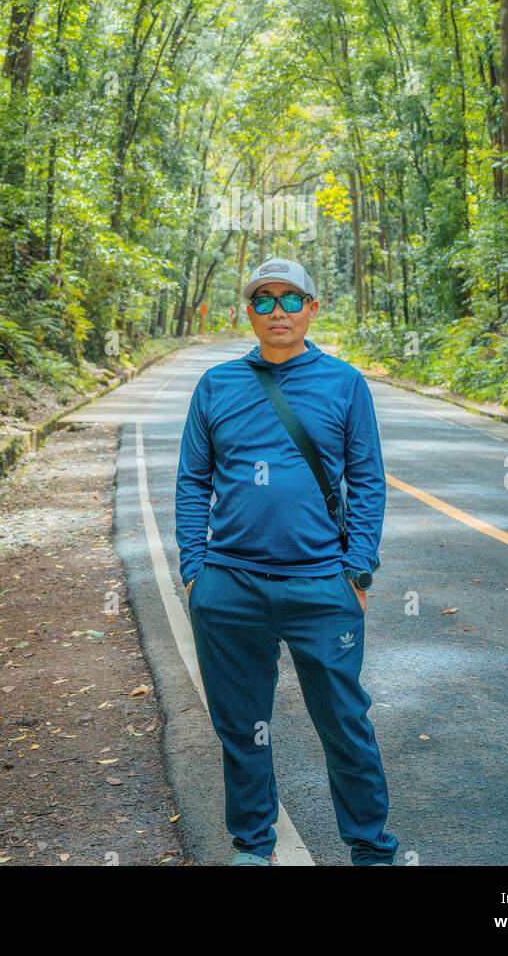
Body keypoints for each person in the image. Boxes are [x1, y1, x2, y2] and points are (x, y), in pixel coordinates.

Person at [174, 255, 399, 866]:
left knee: (346, 725)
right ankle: (253, 846)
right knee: (243, 730)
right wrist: (194, 572)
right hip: (229, 588)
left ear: (312, 309)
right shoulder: (216, 385)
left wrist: (358, 569)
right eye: (264, 300)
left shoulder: (344, 383)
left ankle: (372, 849)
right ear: (247, 312)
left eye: (290, 298)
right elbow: (193, 481)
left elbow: (368, 480)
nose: (278, 311)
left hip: (322, 586)